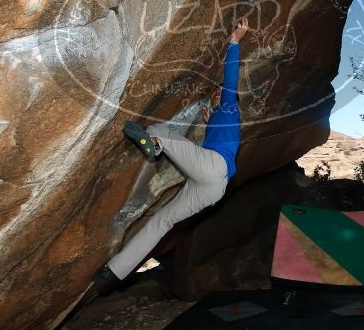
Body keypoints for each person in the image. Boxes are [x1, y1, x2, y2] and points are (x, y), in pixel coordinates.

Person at [83, 19, 249, 301]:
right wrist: (210, 123)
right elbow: (214, 140)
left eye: (219, 93)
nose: (217, 94)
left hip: (213, 169)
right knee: (162, 220)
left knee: (161, 131)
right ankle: (113, 272)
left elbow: (230, 80)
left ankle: (155, 146)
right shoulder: (221, 122)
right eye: (215, 93)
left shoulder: (231, 108)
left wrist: (234, 42)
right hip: (212, 188)